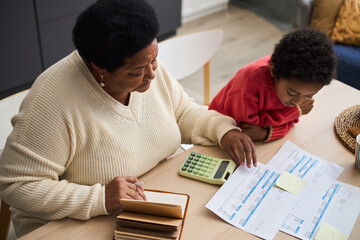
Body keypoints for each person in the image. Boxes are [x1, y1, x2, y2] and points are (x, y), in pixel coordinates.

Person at [0, 0, 257, 237]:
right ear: (100, 68)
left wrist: (224, 131)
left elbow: (180, 112)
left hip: (150, 197)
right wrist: (99, 198)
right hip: (70, 223)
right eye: (137, 72)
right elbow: (17, 185)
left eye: (154, 61)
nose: (152, 75)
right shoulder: (52, 100)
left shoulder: (143, 60)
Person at [209, 28, 337, 141]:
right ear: (273, 71)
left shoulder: (300, 82)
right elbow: (247, 130)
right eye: (291, 93)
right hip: (218, 130)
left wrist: (266, 133)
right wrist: (293, 113)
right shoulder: (250, 81)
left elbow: (267, 129)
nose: (297, 102)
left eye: (309, 95)